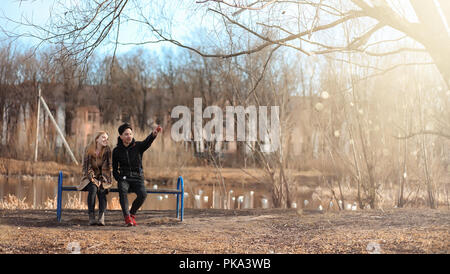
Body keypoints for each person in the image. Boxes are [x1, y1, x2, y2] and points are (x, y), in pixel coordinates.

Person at [112, 123, 161, 226]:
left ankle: (132, 214)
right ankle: (127, 217)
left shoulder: (138, 146)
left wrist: (153, 135)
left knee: (143, 194)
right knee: (122, 190)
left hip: (137, 177)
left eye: (130, 134)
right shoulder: (116, 151)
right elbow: (115, 169)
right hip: (124, 178)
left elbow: (147, 143)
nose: (129, 136)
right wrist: (119, 179)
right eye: (126, 134)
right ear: (121, 136)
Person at [77, 131, 112, 226]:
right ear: (97, 139)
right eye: (103, 138)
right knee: (93, 189)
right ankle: (91, 217)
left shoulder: (107, 150)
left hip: (104, 177)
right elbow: (87, 167)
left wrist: (101, 180)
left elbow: (108, 168)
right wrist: (93, 179)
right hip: (89, 177)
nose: (106, 140)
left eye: (107, 138)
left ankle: (101, 217)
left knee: (102, 190)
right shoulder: (88, 149)